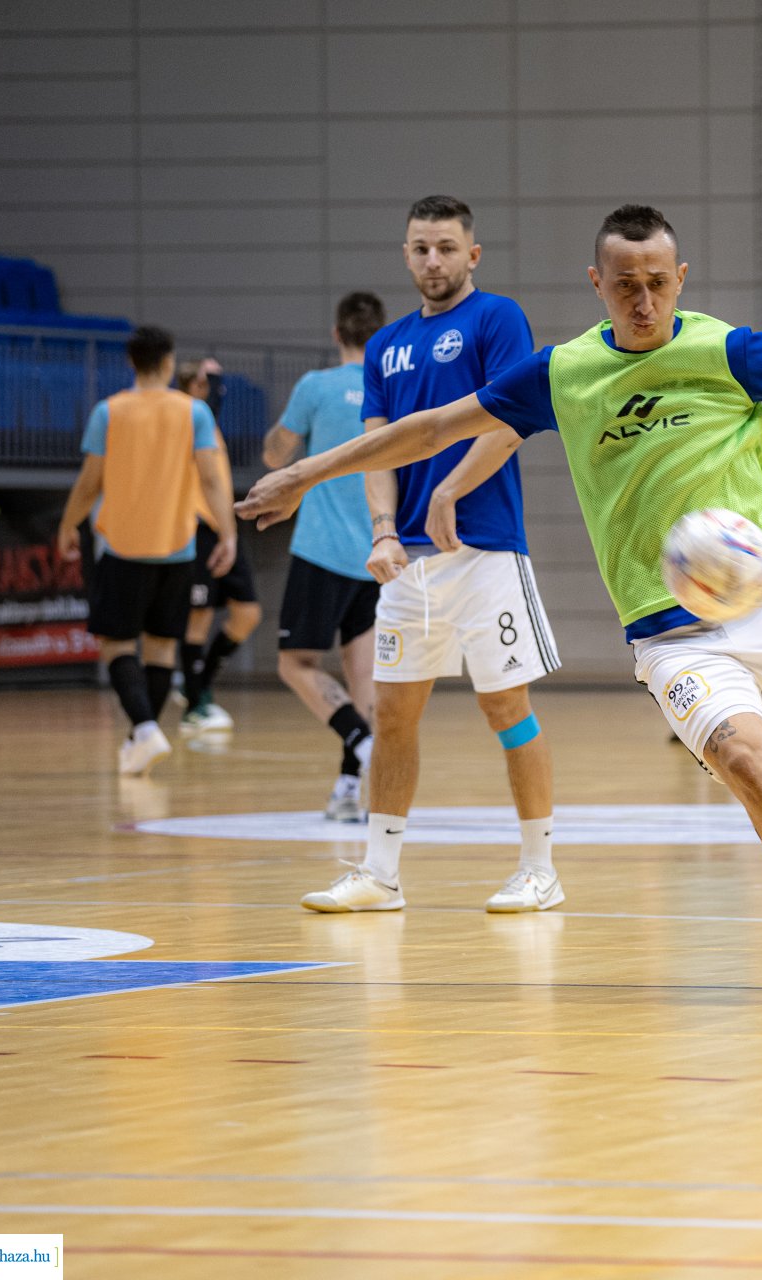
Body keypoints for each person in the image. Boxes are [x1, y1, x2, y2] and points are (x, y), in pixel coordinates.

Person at [239, 204, 762, 1010]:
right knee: (750, 766)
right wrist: (304, 473)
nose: (642, 302)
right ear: (597, 282)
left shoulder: (731, 351)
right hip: (671, 635)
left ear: (681, 279)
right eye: (624, 285)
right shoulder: (562, 373)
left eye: (658, 284)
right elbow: (428, 429)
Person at [293, 194, 560, 914]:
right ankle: (381, 873)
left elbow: (514, 421)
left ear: (472, 255)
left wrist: (450, 489)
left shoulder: (496, 319)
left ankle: (539, 867)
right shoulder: (385, 346)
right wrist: (383, 528)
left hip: (488, 554)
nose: (432, 260)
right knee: (393, 716)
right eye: (420, 248)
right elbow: (375, 449)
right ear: (405, 255)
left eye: (446, 247)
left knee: (508, 708)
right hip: (410, 565)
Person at [56, 325, 236, 775]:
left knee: (116, 646)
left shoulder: (109, 412)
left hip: (122, 549)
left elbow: (89, 481)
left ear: (131, 363)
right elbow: (212, 480)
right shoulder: (194, 412)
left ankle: (144, 728)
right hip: (177, 550)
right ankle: (144, 734)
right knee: (160, 652)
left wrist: (67, 523)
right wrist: (229, 534)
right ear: (170, 362)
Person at [261, 292, 389, 820]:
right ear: (378, 338)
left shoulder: (314, 387)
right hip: (376, 552)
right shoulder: (390, 388)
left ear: (337, 334)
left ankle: (358, 740)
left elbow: (275, 454)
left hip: (321, 551)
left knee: (295, 665)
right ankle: (349, 790)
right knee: (364, 678)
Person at [173, 357, 261, 735]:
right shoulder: (183, 420)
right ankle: (195, 706)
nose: (213, 391)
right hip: (195, 529)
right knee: (199, 616)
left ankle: (200, 681)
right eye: (206, 383)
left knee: (248, 613)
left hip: (224, 528)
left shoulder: (209, 422)